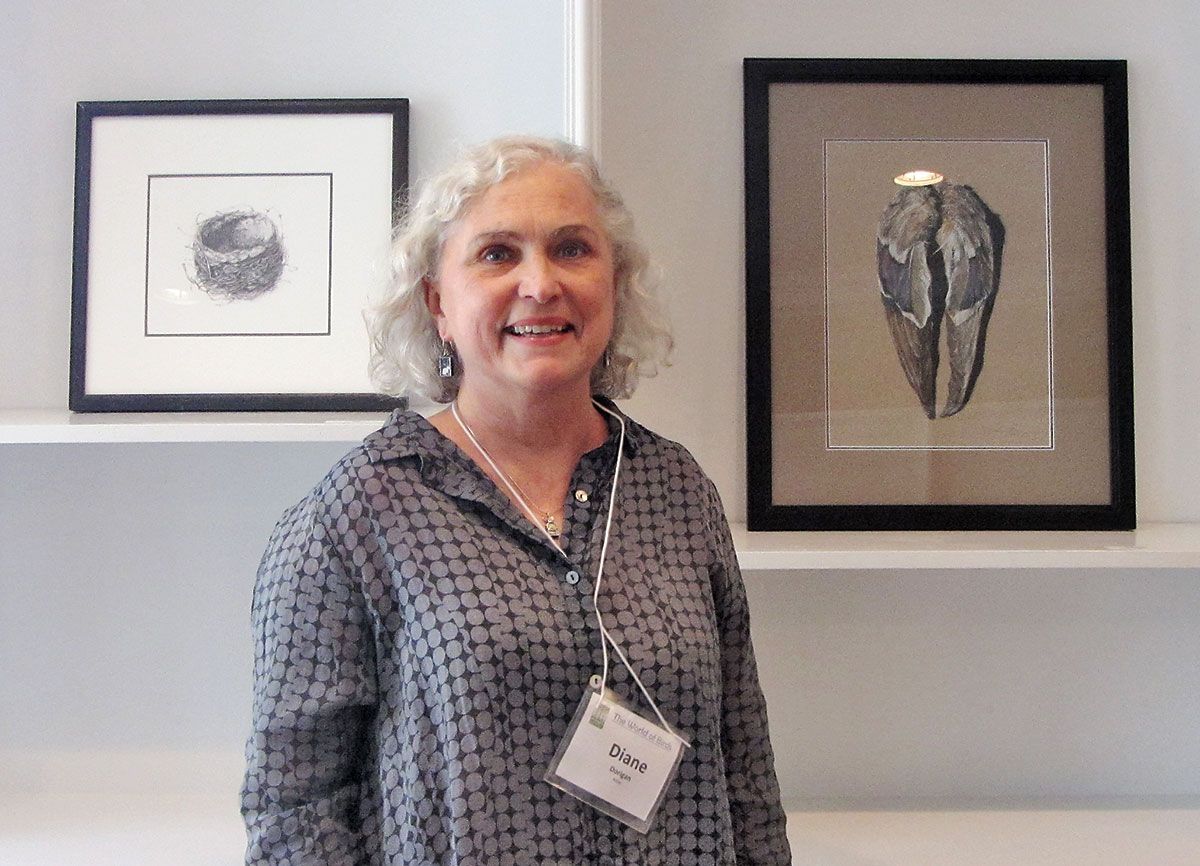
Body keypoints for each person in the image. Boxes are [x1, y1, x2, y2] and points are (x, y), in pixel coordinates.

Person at [241, 136, 791, 865]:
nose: (540, 284)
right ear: (438, 302)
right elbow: (294, 812)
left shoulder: (676, 489)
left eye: (572, 249)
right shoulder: (355, 513)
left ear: (615, 285)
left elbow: (745, 770)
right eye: (498, 254)